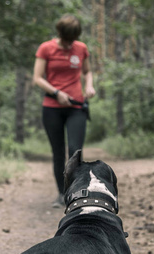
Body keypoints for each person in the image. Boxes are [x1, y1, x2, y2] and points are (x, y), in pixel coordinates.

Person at [33, 14, 96, 207]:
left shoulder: (81, 48)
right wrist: (56, 92)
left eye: (73, 40)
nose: (70, 44)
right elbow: (37, 78)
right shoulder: (46, 48)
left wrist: (89, 86)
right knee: (58, 152)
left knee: (75, 151)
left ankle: (77, 192)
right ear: (60, 34)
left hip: (76, 107)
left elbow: (87, 71)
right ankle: (61, 194)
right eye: (67, 40)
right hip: (52, 108)